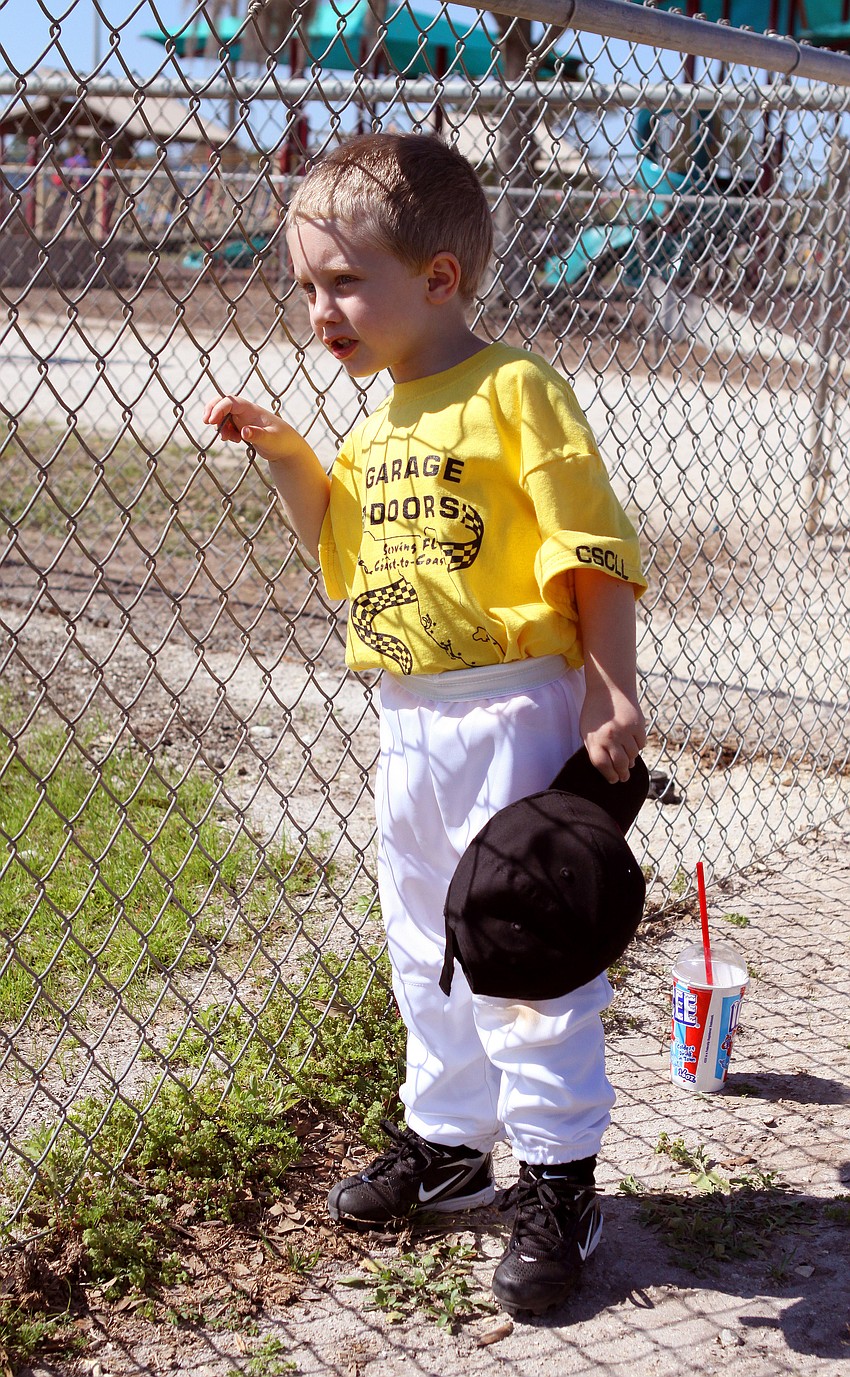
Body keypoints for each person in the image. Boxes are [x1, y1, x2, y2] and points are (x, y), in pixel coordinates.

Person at [204, 132, 647, 1317]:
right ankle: (450, 1148)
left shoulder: (514, 389)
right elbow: (342, 568)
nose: (319, 310)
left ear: (439, 280)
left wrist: (612, 687)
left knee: (528, 951)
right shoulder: (374, 425)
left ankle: (560, 1180)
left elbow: (586, 547)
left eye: (343, 283)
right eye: (305, 288)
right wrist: (293, 456)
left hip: (515, 705)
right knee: (425, 945)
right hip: (411, 717)